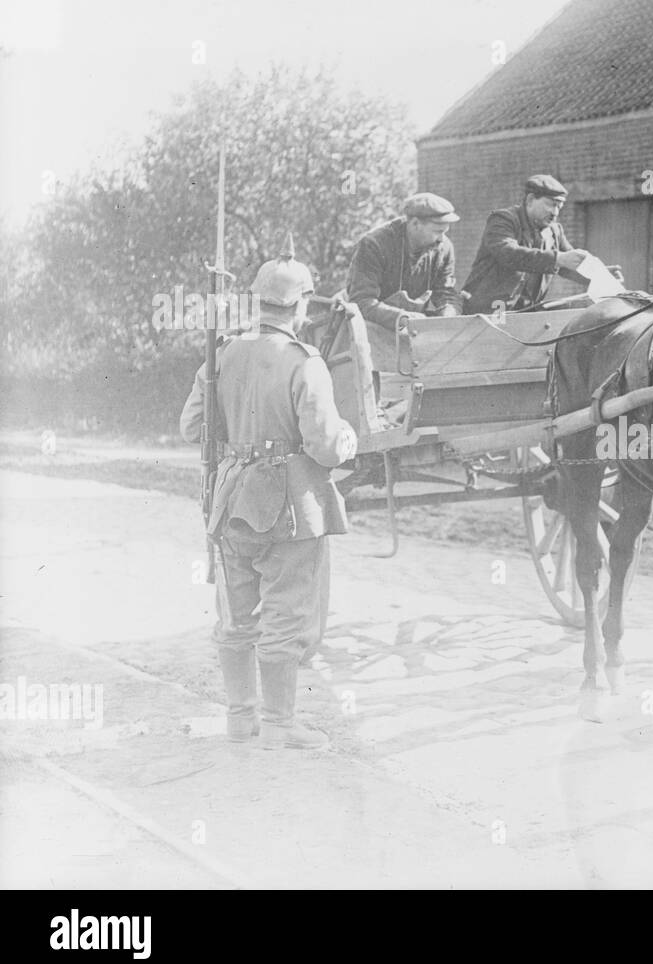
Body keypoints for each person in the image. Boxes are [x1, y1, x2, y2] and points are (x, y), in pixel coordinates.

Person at [180, 236, 358, 749]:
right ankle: (279, 725)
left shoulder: (221, 355)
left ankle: (240, 718)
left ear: (256, 303)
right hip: (290, 508)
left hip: (231, 501)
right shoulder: (306, 362)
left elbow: (194, 428)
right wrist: (346, 438)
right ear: (301, 306)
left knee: (236, 612)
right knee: (285, 611)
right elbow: (324, 446)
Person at [462, 174, 590, 314]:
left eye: (559, 206)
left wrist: (603, 276)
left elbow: (570, 265)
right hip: (491, 310)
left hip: (527, 312)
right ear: (530, 200)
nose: (555, 213)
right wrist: (557, 258)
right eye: (551, 205)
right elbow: (509, 253)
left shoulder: (555, 230)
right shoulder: (503, 220)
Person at [346, 192, 462, 331]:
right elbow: (362, 302)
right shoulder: (374, 245)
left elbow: (447, 292)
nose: (442, 239)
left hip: (412, 328)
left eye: (445, 232)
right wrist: (402, 318)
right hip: (373, 328)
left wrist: (449, 313)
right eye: (437, 231)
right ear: (415, 223)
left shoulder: (444, 248)